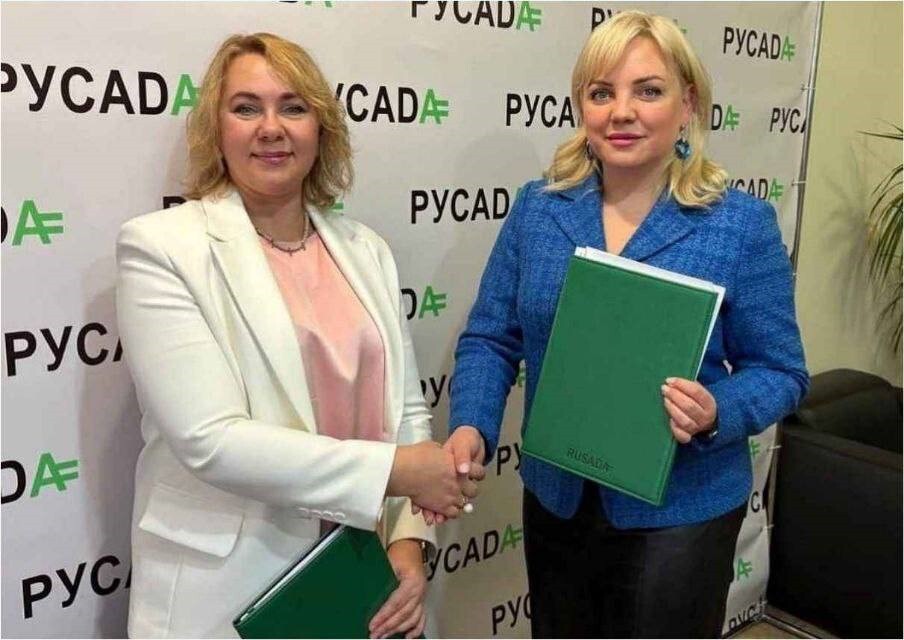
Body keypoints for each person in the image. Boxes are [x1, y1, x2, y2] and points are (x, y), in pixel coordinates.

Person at [444, 11, 808, 638]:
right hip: (558, 500)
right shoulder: (539, 208)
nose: (622, 112)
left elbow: (781, 372)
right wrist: (471, 423)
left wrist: (716, 410)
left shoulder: (739, 225)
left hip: (681, 513)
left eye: (648, 90)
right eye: (601, 93)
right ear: (581, 106)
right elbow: (490, 337)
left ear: (687, 103)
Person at [116, 33, 482, 639]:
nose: (271, 128)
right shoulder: (161, 248)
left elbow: (405, 412)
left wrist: (408, 547)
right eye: (246, 108)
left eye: (293, 107)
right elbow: (211, 440)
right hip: (229, 593)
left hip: (361, 580)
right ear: (216, 127)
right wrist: (397, 471)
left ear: (321, 127)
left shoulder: (366, 249)